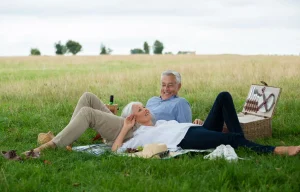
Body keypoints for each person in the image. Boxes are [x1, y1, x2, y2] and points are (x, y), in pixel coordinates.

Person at [25, 92, 300, 157]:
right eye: (139, 109)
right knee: (86, 103)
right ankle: (274, 149)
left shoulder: (161, 121)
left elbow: (182, 122)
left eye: (143, 108)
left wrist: (198, 122)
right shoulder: (137, 131)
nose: (144, 110)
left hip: (191, 130)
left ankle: (238, 139)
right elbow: (116, 150)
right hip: (185, 139)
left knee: (224, 97)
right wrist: (123, 126)